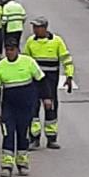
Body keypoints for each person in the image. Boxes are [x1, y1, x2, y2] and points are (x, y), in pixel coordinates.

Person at [0, 36, 45, 177]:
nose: (10, 53)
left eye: (12, 50)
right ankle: (6, 166)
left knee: (23, 135)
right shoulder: (0, 67)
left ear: (17, 50)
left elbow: (41, 81)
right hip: (9, 107)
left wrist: (46, 98)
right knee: (8, 134)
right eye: (7, 50)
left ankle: (22, 164)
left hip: (26, 107)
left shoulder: (28, 62)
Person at [23, 16, 74, 150]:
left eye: (37, 27)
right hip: (33, 82)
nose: (34, 30)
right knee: (32, 110)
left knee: (50, 109)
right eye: (33, 27)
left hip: (50, 82)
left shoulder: (56, 41)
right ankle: (34, 138)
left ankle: (51, 138)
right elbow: (25, 61)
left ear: (45, 28)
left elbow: (66, 60)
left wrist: (69, 76)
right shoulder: (30, 42)